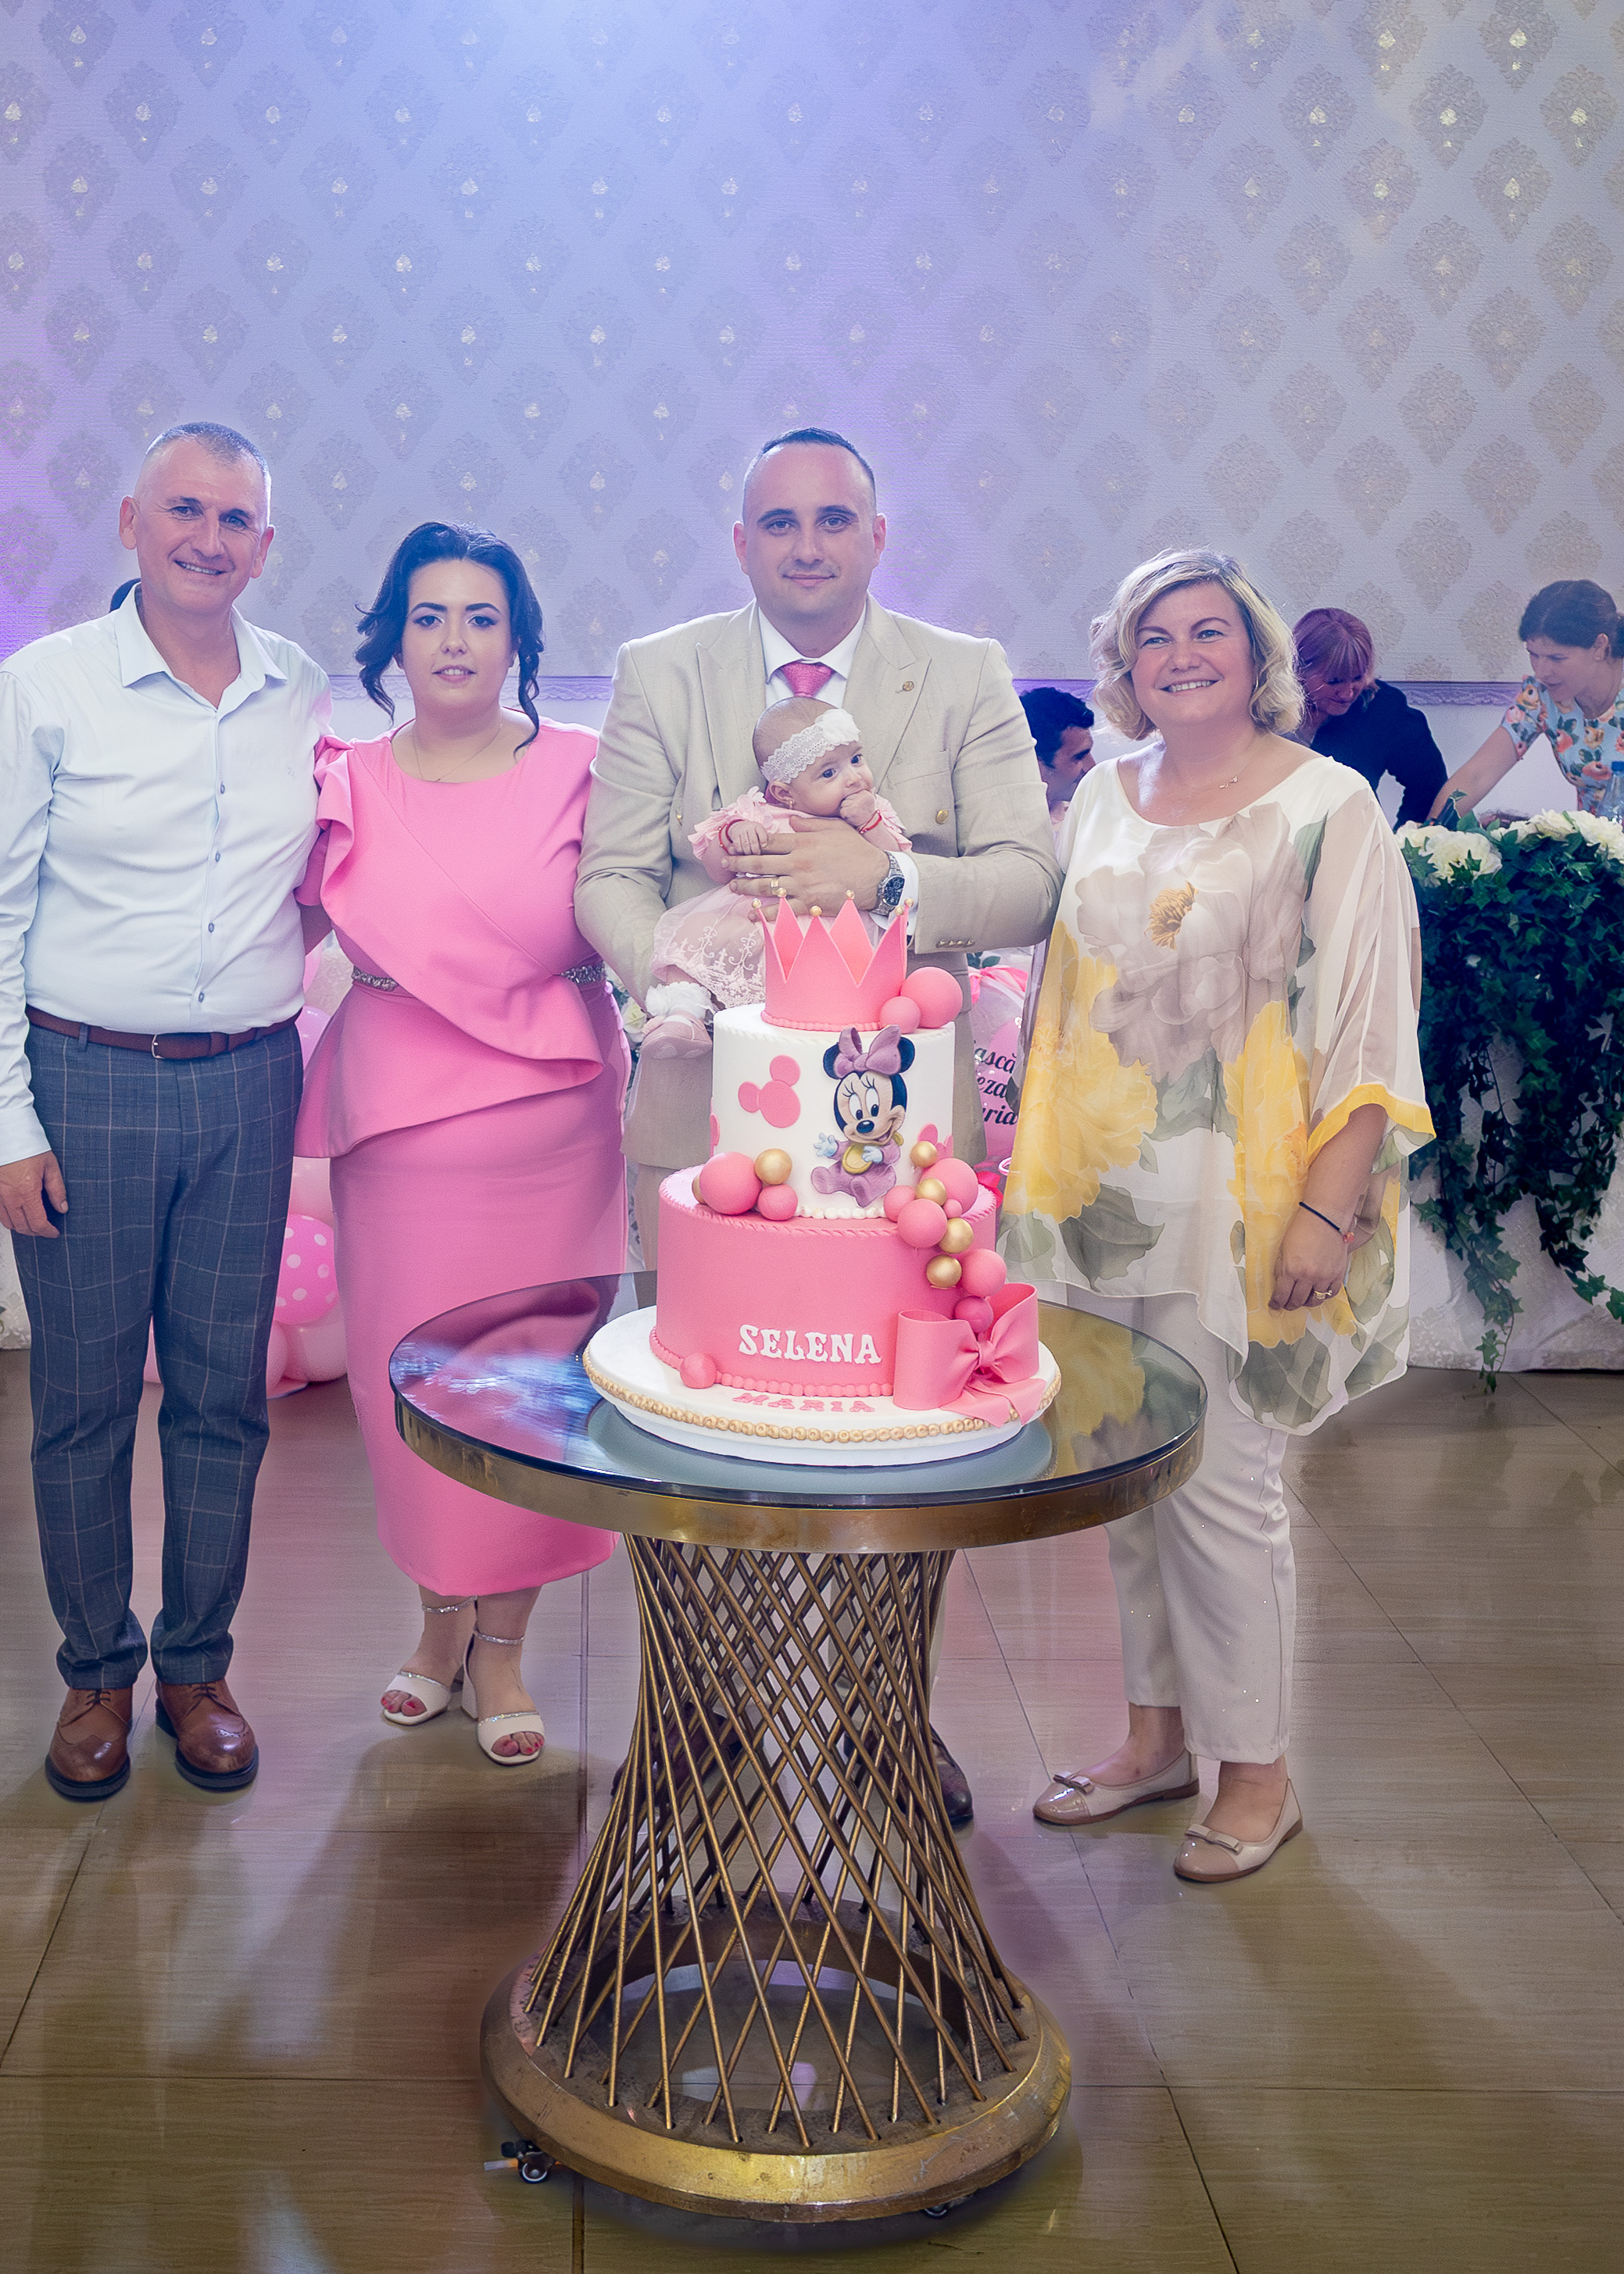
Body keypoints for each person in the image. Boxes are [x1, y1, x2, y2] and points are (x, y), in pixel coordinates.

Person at [575, 423, 1061, 1826]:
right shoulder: (664, 671)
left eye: (833, 518)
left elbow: (1028, 878)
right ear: (740, 542)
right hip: (703, 1121)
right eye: (777, 522)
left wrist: (886, 874)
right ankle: (699, 1718)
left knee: (901, 1429)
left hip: (899, 1144)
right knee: (691, 1426)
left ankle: (879, 1718)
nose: (806, 544)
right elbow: (608, 877)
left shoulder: (961, 673)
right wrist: (687, 975)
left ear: (877, 535)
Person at [1003, 547, 1430, 1885]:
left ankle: (1257, 1771)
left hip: (1243, 1200)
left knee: (1223, 1487)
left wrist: (1326, 1208)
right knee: (1123, 1474)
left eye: (1207, 632)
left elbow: (1367, 1018)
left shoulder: (1328, 804)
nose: (1180, 655)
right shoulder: (1098, 797)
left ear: (1257, 658)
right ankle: (1155, 1739)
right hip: (1096, 1193)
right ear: (1123, 667)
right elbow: (1057, 992)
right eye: (1153, 637)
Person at [0, 421, 328, 1804]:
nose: (206, 540)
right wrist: (3, 1120)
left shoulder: (300, 690)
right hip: (85, 1082)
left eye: (234, 520)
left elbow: (329, 876)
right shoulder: (44, 686)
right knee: (85, 1403)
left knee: (224, 1397)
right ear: (130, 521)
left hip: (250, 1080)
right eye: (183, 510)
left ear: (263, 547)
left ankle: (198, 1669)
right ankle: (96, 1674)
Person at [296, 522, 626, 1768]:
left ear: (519, 639)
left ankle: (502, 1646)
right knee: (408, 1385)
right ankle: (436, 1623)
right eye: (427, 615)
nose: (453, 639)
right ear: (392, 637)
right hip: (398, 1135)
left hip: (552, 1140)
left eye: (481, 616)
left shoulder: (587, 769)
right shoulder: (341, 778)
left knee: (528, 1386)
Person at [1437, 578, 1624, 896]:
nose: (1542, 670)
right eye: (1534, 655)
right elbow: (1477, 774)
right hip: (1608, 869)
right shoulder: (1540, 695)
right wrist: (1429, 839)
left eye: (1556, 658)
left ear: (1599, 647)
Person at [639, 695, 911, 1052]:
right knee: (694, 932)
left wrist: (871, 822)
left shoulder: (874, 812)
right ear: (785, 794)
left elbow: (901, 867)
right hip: (758, 923)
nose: (853, 778)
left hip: (834, 935)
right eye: (829, 773)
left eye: (856, 759)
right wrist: (734, 835)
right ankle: (684, 1015)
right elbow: (718, 870)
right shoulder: (760, 813)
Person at [1293, 609, 1447, 825]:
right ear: (1300, 670)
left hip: (1354, 837)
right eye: (1334, 681)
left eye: (1357, 678)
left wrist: (1407, 838)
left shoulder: (1383, 708)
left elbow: (1428, 784)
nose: (1348, 694)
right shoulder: (1266, 709)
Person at [1021, 686, 1096, 821]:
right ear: (1035, 761)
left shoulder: (1088, 819)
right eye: (1079, 757)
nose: (1092, 768)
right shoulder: (997, 823)